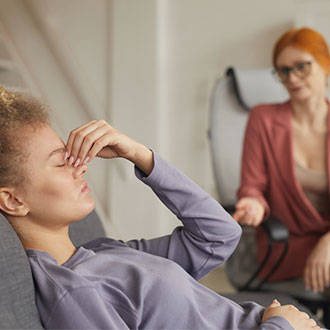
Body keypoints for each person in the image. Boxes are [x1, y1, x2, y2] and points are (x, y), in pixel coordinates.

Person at [0, 87, 320, 330]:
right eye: (60, 162)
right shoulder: (72, 292)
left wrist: (141, 156)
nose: (81, 166)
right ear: (13, 200)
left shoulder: (102, 253)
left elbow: (219, 236)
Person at [233, 27, 330, 294]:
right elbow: (252, 186)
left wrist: (328, 243)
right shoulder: (262, 119)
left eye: (302, 67)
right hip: (288, 244)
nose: (293, 78)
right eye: (284, 71)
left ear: (325, 64)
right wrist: (252, 203)